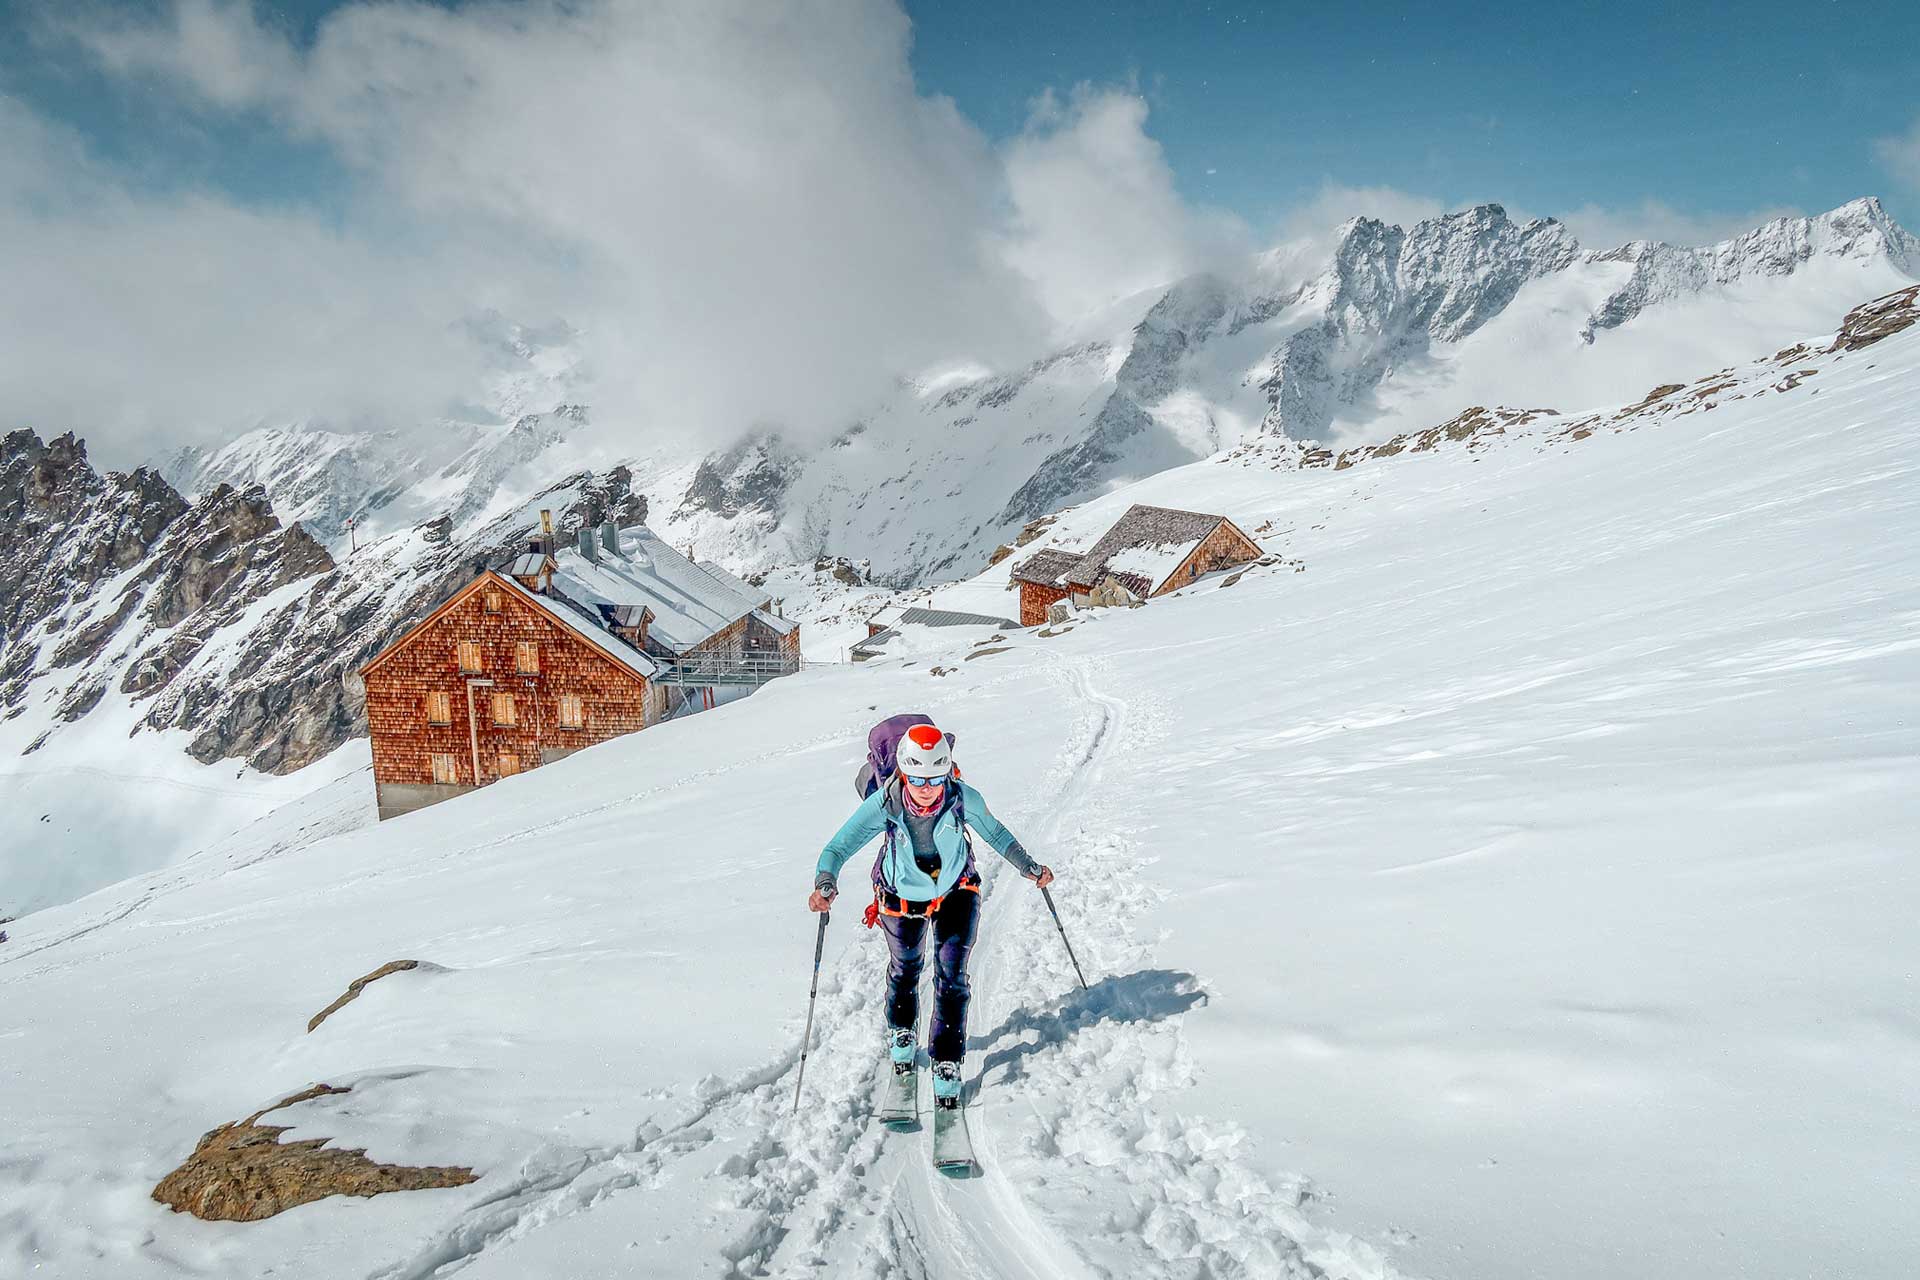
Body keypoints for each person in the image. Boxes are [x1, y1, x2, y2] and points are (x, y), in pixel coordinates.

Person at [809, 722, 1053, 1108]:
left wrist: (1029, 867)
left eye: (936, 778)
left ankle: (946, 1061)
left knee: (952, 977)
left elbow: (996, 834)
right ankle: (902, 1034)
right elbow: (836, 849)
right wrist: (826, 883)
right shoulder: (885, 805)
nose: (927, 788)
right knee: (906, 968)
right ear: (904, 772)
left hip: (958, 891)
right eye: (919, 778)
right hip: (900, 898)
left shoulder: (962, 798)